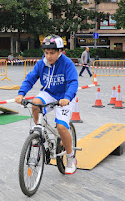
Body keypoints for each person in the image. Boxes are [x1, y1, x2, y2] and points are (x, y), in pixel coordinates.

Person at [15, 34, 78, 175]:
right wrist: (21, 94)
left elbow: (73, 83)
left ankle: (70, 158)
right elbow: (30, 78)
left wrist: (67, 97)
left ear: (60, 51)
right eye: (46, 52)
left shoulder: (67, 63)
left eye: (52, 53)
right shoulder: (41, 64)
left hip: (65, 96)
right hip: (48, 93)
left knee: (61, 127)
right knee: (35, 103)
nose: (49, 56)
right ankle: (37, 131)